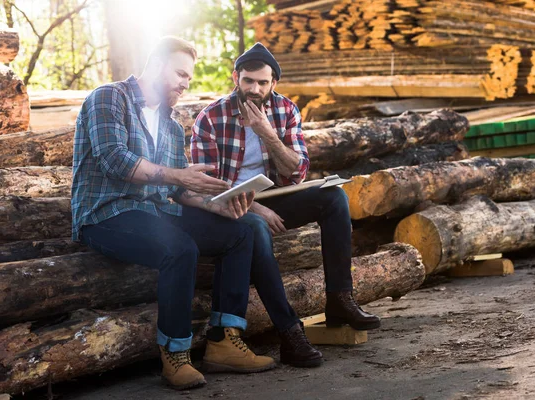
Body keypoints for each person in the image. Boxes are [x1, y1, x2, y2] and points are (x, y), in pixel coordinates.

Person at [71, 37, 276, 391]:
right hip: (104, 214)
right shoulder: (108, 97)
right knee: (180, 248)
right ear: (156, 65)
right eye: (180, 74)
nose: (185, 83)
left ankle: (224, 341)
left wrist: (221, 204)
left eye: (189, 79)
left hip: (152, 212)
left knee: (241, 231)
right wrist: (179, 176)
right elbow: (115, 159)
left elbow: (178, 190)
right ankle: (175, 354)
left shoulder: (168, 123)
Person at [190, 42, 381, 368]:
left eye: (263, 83)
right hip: (230, 206)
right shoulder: (211, 117)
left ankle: (339, 299)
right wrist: (252, 207)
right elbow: (205, 185)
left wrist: (267, 133)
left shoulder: (285, 110)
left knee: (333, 197)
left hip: (276, 197)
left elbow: (296, 171)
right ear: (236, 77)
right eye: (248, 81)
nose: (255, 89)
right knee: (256, 229)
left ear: (273, 84)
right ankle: (290, 332)